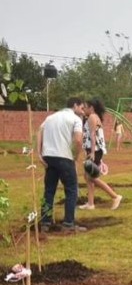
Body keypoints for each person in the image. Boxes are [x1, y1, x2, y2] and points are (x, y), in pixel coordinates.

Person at [36, 97, 86, 232]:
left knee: (49, 191)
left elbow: (40, 131)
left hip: (49, 158)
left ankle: (45, 223)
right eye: (82, 108)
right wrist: (75, 156)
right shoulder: (76, 120)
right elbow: (78, 140)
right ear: (75, 106)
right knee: (71, 190)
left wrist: (39, 153)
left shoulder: (50, 117)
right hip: (64, 157)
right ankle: (68, 224)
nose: (83, 111)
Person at [79, 98, 122, 211]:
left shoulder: (92, 117)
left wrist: (92, 152)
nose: (84, 109)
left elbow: (93, 135)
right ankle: (90, 203)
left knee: (91, 177)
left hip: (96, 150)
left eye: (85, 107)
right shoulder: (92, 117)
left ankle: (115, 196)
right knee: (87, 176)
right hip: (94, 150)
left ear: (91, 108)